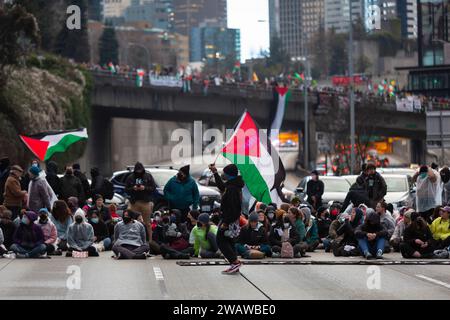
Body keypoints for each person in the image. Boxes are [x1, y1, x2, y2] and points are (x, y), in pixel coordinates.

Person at [209, 163, 244, 274]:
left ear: (229, 174)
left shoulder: (232, 189)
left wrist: (226, 222)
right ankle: (234, 263)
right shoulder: (232, 185)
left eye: (225, 172)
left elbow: (233, 208)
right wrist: (215, 172)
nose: (223, 174)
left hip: (229, 220)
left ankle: (234, 262)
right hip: (231, 219)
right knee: (229, 240)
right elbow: (222, 186)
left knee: (221, 240)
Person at [125, 162, 156, 233]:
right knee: (132, 221)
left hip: (145, 202)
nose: (139, 172)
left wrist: (145, 188)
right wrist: (133, 188)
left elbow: (153, 188)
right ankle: (132, 236)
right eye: (137, 171)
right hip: (134, 202)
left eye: (140, 170)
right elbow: (126, 189)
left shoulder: (148, 176)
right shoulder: (130, 177)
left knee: (147, 223)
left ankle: (149, 240)